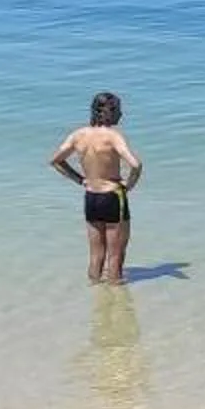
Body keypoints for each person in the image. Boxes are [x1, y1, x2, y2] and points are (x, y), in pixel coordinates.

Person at [49, 92, 143, 285]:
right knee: (116, 255)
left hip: (91, 196)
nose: (121, 114)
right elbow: (136, 165)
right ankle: (116, 295)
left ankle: (94, 291)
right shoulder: (113, 136)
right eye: (117, 110)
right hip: (112, 196)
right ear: (108, 112)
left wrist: (80, 180)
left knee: (95, 254)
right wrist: (129, 185)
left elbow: (56, 161)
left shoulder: (78, 135)